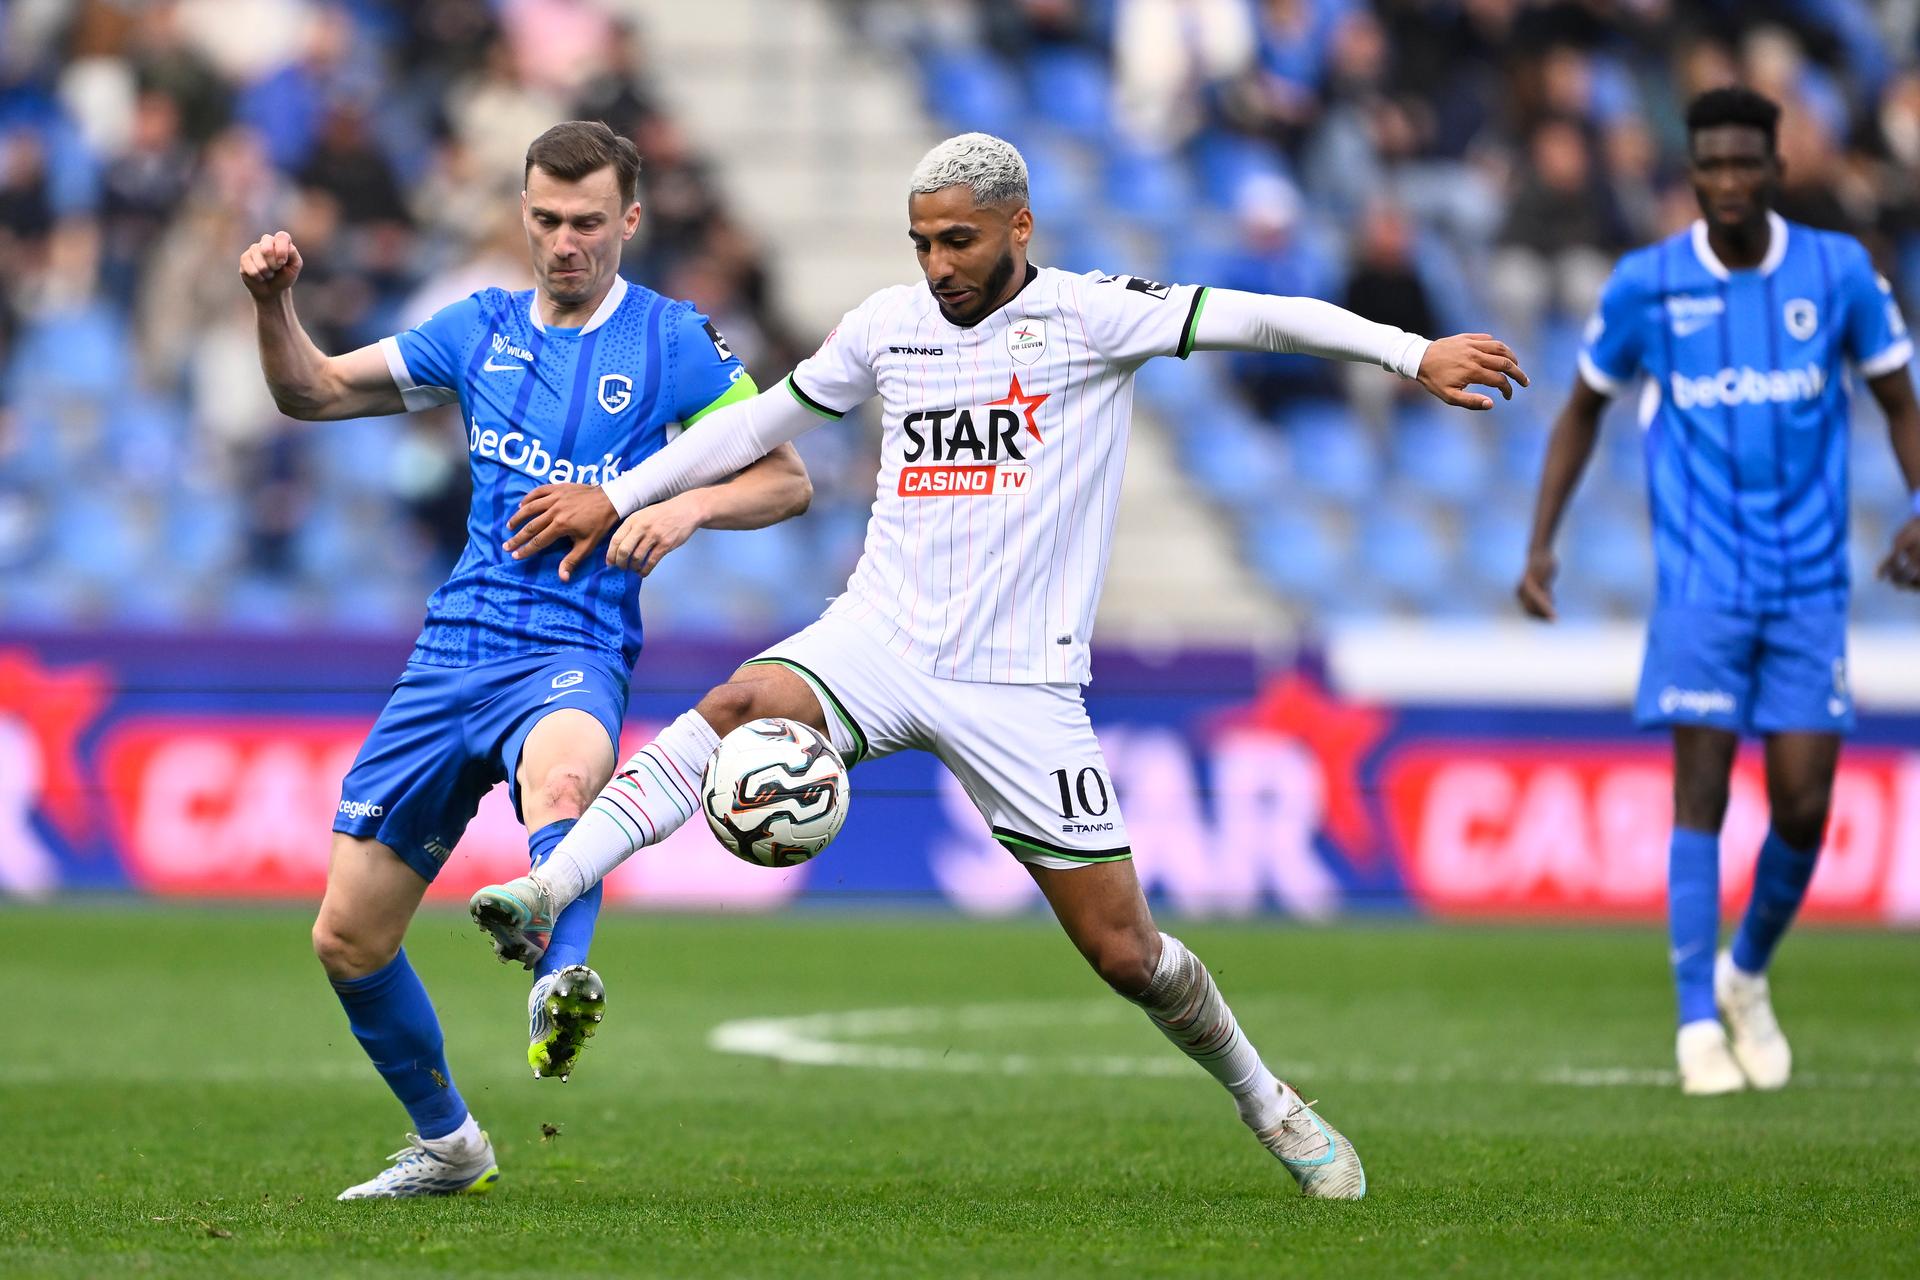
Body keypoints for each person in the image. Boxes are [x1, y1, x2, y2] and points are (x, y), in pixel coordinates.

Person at [470, 131, 1526, 1200]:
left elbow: (1254, 314)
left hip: (1017, 684)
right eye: (923, 243)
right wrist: (624, 494)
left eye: (960, 242)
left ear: (1020, 228)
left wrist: (1410, 351)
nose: (939, 266)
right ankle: (546, 885)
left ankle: (1269, 1100)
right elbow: (763, 423)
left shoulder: (1090, 313)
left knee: (1127, 954)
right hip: (877, 635)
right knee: (741, 699)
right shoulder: (889, 326)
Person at [241, 120, 811, 1199]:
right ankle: (450, 1141)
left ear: (629, 221)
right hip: (451, 648)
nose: (565, 241)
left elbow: (787, 480)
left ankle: (561, 980)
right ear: (524, 215)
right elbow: (308, 391)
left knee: (563, 778)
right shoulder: (479, 328)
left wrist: (683, 505)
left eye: (588, 221)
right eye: (546, 219)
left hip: (573, 642)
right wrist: (273, 305)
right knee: (347, 938)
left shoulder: (674, 341)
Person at [1516, 88, 1920, 1095]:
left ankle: (1745, 972)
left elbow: (1900, 402)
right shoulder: (1647, 286)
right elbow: (1578, 412)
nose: (1730, 181)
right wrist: (1540, 545)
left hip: (1810, 582)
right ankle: (1697, 1020)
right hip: (1700, 582)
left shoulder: (1837, 274)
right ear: (1689, 172)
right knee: (1699, 790)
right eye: (1713, 164)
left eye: (1748, 162)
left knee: (1805, 799)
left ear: (1776, 165)